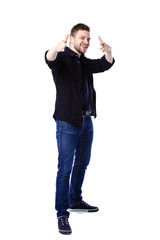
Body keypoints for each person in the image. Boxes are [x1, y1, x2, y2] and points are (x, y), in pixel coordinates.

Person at [45, 23, 115, 235]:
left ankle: (75, 200)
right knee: (64, 168)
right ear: (73, 39)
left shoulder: (83, 62)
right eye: (82, 38)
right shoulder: (63, 58)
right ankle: (62, 213)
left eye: (88, 39)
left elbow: (104, 65)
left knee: (83, 162)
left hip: (86, 122)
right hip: (67, 122)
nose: (86, 42)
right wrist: (55, 48)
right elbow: (50, 60)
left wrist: (109, 52)